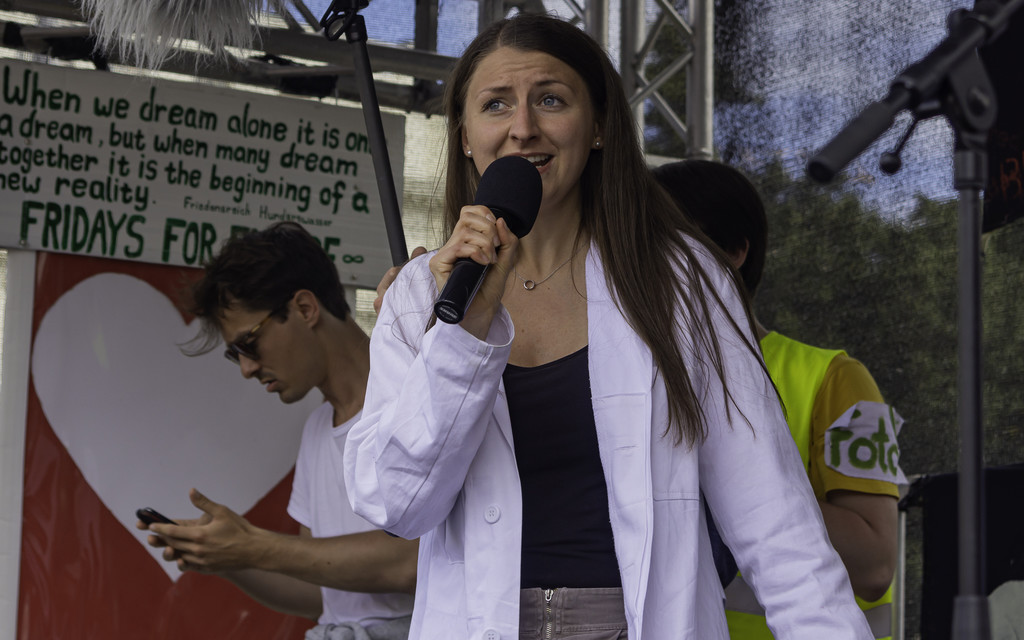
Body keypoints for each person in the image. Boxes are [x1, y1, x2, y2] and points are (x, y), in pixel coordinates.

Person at [344, 14, 873, 640]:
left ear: (597, 126)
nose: (522, 127)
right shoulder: (420, 294)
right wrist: (462, 334)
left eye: (550, 99)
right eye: (495, 104)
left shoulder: (681, 279)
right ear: (464, 136)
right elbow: (396, 504)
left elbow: (775, 519)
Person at [652, 159, 903, 640]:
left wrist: (734, 480)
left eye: (669, 243)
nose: (643, 263)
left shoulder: (838, 379)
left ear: (734, 251)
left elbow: (875, 565)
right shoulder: (629, 381)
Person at [137, 222, 418, 640]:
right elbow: (320, 588)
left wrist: (255, 545)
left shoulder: (416, 398)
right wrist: (227, 556)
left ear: (305, 308)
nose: (247, 368)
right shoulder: (317, 429)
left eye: (248, 344)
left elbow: (413, 562)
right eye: (235, 355)